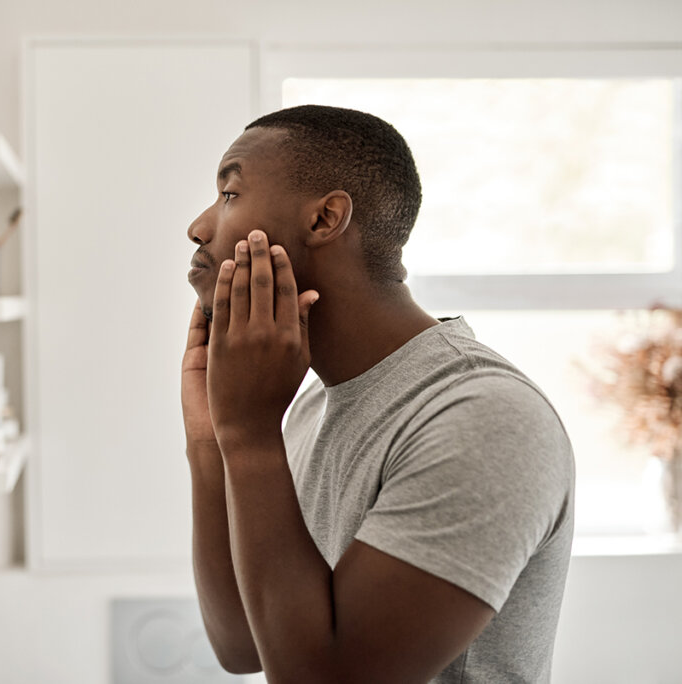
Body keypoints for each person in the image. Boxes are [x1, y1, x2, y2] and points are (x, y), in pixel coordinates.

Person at [181, 104, 575, 683]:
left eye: (230, 194)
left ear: (325, 219)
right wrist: (211, 439)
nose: (199, 226)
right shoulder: (310, 408)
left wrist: (249, 436)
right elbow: (243, 645)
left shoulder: (484, 418)